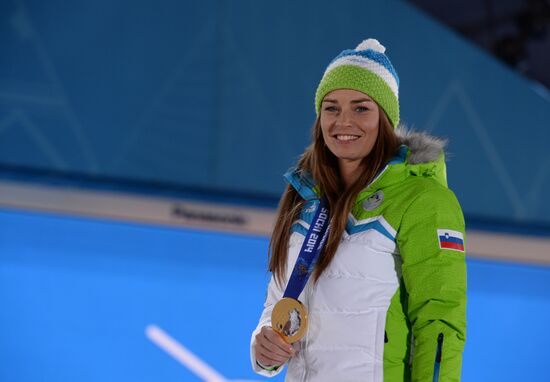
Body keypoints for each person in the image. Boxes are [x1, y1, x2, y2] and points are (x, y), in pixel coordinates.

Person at [250, 38, 467, 382]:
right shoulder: (304, 196)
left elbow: (439, 324)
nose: (343, 121)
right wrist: (264, 348)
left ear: (386, 119)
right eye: (331, 107)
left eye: (361, 108)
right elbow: (280, 301)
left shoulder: (423, 199)